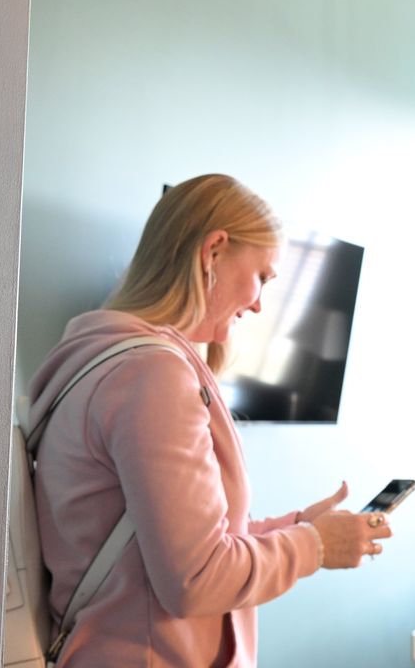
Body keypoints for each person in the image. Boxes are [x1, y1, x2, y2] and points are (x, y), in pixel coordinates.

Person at [27, 174, 391, 666]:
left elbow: (174, 541)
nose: (260, 303)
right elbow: (196, 580)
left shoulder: (101, 357)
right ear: (213, 251)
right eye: (262, 275)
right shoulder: (152, 375)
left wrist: (297, 525)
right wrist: (315, 546)